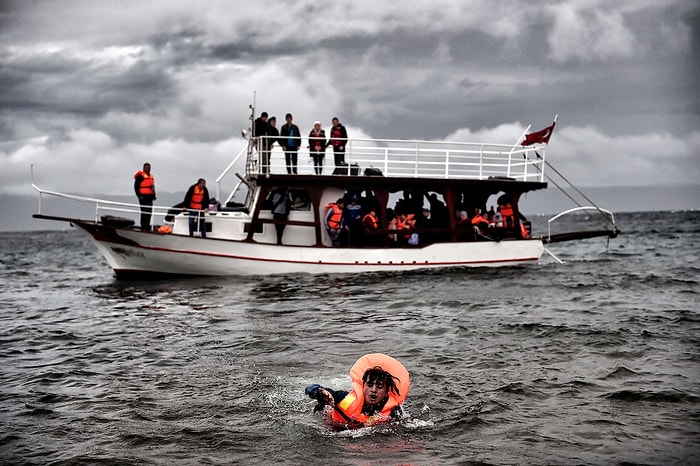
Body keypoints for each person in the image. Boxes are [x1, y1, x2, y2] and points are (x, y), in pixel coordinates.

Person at [305, 353, 410, 428]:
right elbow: (310, 389)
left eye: (379, 386)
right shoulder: (343, 398)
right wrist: (319, 392)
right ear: (363, 386)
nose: (373, 390)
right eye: (369, 385)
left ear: (387, 392)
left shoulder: (394, 412)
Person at [133, 162, 156, 231]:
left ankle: (147, 226)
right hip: (143, 197)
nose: (147, 169)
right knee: (144, 211)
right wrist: (139, 195)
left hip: (149, 197)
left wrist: (154, 195)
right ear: (143, 168)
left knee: (149, 211)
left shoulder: (151, 176)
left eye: (149, 168)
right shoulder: (140, 176)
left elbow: (152, 187)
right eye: (146, 168)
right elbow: (136, 186)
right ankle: (143, 226)